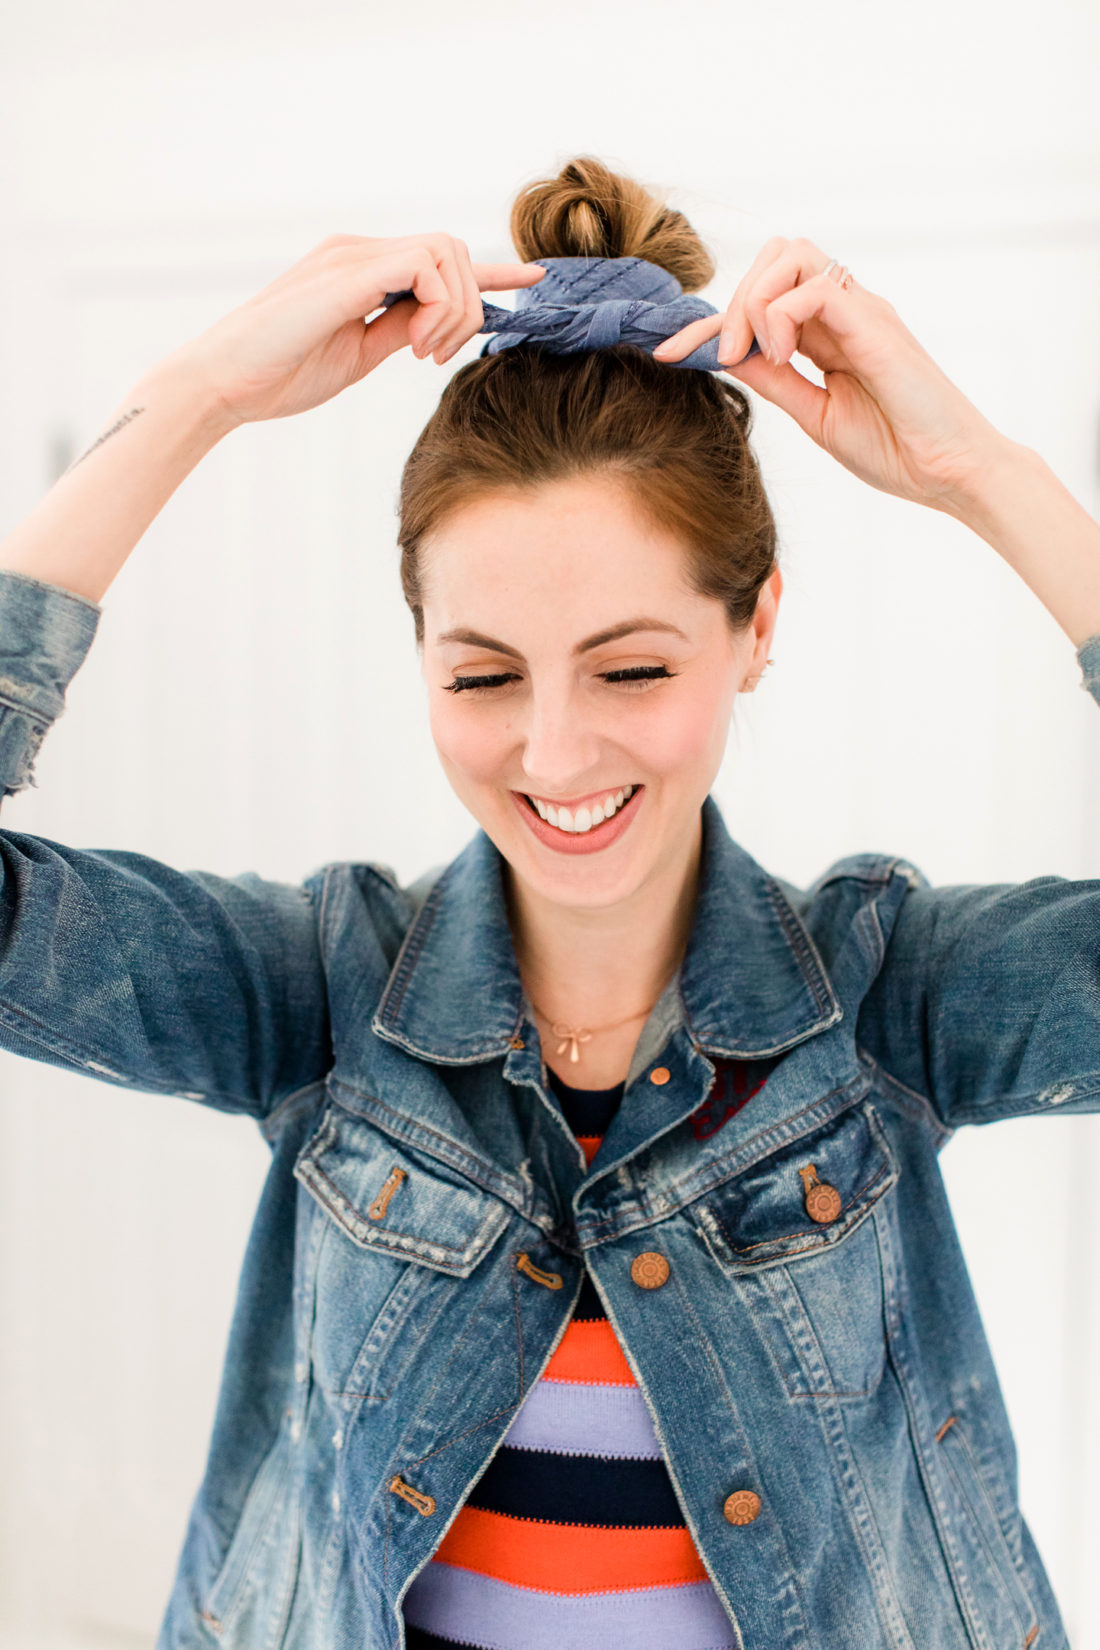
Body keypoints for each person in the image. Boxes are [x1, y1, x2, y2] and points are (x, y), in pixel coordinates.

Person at [0, 153, 1097, 1650]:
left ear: (755, 625)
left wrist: (987, 472)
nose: (558, 752)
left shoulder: (885, 999)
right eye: (483, 675)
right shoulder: (328, 994)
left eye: (633, 667)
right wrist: (197, 392)